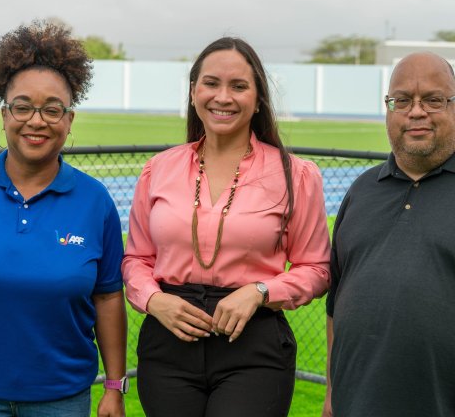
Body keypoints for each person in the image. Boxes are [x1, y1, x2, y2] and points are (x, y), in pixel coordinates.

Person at [122, 37, 330, 417]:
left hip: (253, 347)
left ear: (258, 98)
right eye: (211, 83)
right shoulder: (158, 169)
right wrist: (154, 300)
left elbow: (316, 268)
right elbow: (136, 259)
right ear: (193, 92)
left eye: (238, 86)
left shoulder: (296, 175)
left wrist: (260, 291)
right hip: (168, 343)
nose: (223, 97)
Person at [0, 21, 127, 417]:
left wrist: (114, 387)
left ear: (69, 119)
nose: (36, 120)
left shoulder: (95, 201)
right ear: (4, 114)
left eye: (52, 109)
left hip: (63, 399)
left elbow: (108, 297)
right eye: (23, 106)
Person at [322, 52, 455, 417]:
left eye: (433, 100)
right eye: (402, 100)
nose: (416, 112)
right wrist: (332, 394)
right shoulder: (361, 191)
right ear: (388, 108)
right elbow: (336, 304)